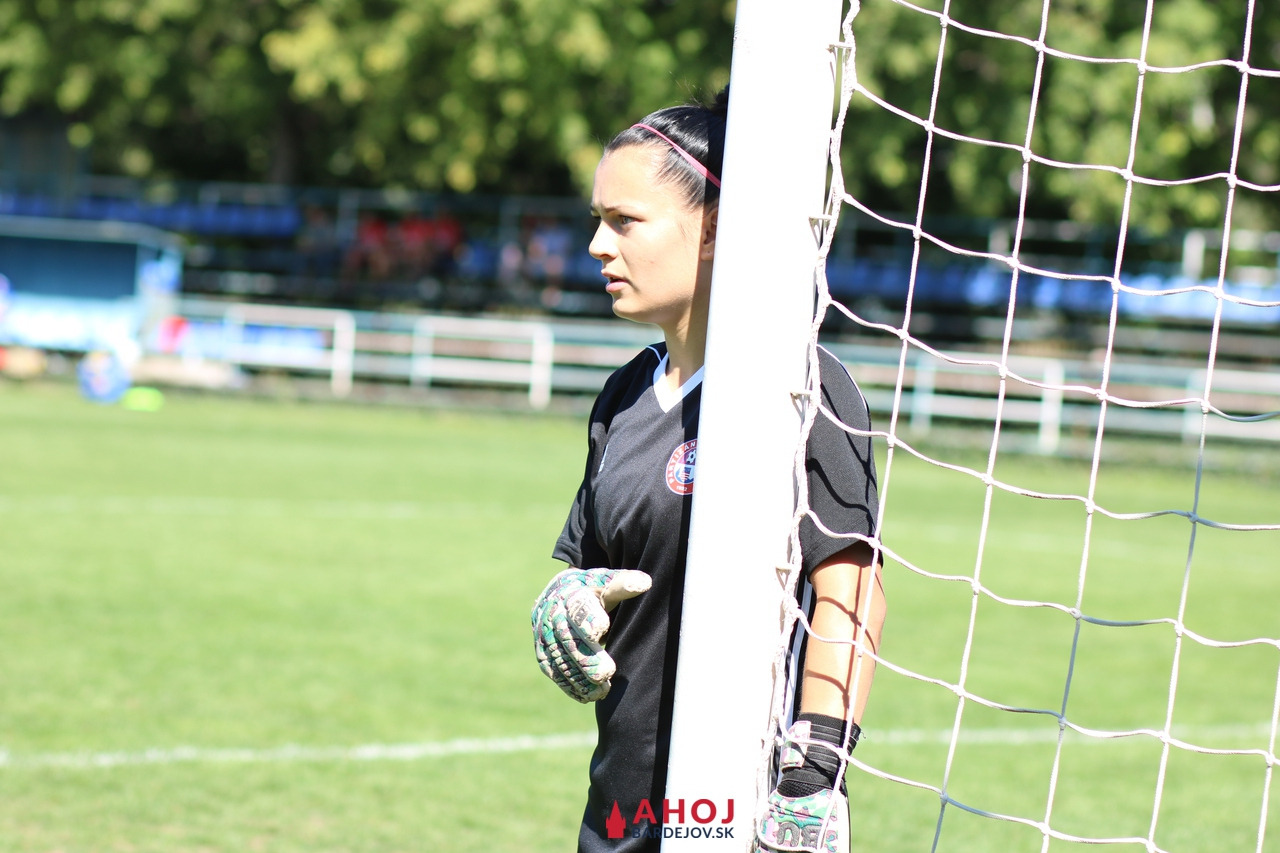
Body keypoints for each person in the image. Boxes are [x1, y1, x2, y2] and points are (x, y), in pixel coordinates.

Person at [531, 87, 885, 853]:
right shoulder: (623, 395)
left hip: (742, 813)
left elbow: (852, 594)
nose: (596, 244)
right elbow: (602, 570)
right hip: (617, 814)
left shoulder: (802, 388)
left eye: (624, 220)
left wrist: (812, 777)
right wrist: (568, 601)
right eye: (597, 219)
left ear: (716, 227)